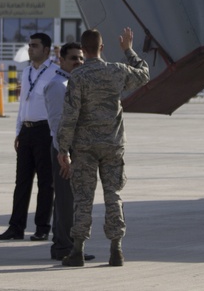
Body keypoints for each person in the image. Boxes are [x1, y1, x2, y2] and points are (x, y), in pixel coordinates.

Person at [57, 27, 149, 267]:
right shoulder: (116, 71)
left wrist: (62, 149)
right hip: (112, 145)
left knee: (83, 198)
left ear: (83, 49)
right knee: (113, 195)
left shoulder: (77, 76)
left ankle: (77, 250)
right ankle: (116, 249)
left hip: (85, 147)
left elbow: (69, 116)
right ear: (101, 48)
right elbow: (144, 73)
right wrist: (128, 49)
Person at [0, 32, 59, 242]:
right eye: (30, 45)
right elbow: (23, 103)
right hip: (27, 131)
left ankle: (42, 227)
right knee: (21, 182)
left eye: (35, 45)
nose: (30, 49)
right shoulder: (27, 71)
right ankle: (16, 226)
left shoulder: (55, 73)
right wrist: (18, 131)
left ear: (46, 50)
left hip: (45, 131)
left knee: (45, 183)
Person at [43, 42, 95, 262]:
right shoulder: (58, 85)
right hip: (64, 151)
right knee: (65, 200)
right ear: (61, 60)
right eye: (73, 58)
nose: (78, 62)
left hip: (76, 148)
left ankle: (69, 246)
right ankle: (63, 247)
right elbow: (57, 124)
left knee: (72, 200)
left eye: (81, 58)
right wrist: (64, 154)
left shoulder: (74, 83)